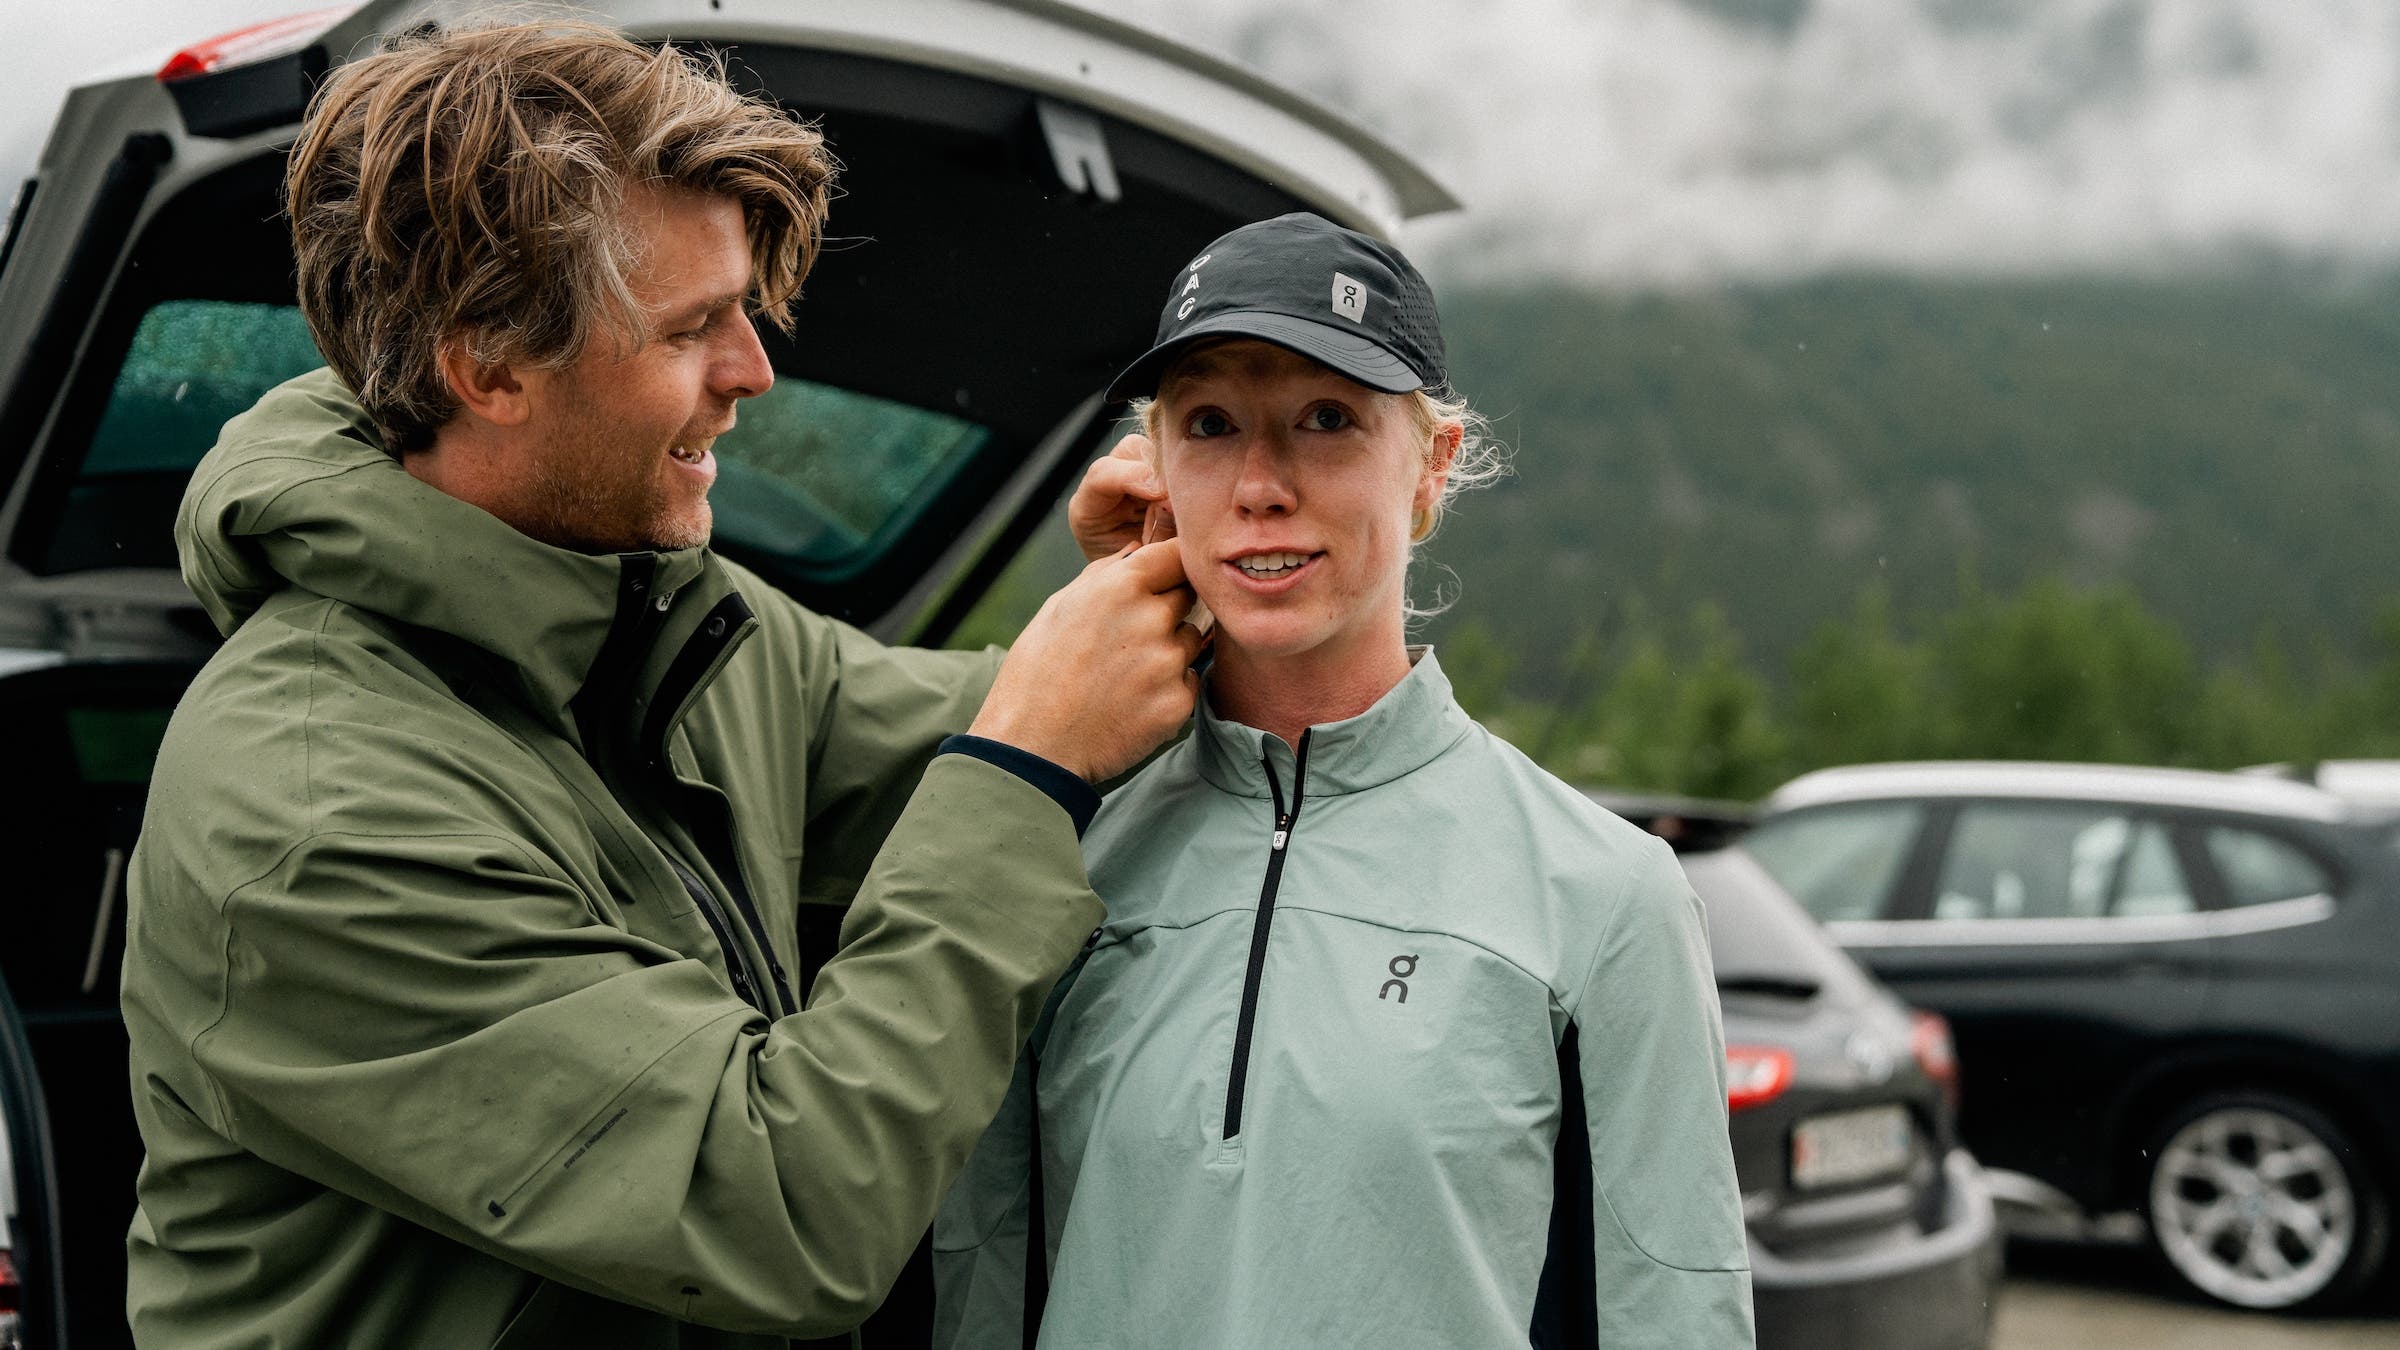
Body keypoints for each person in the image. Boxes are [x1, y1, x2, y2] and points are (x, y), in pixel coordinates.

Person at [120, 23, 1204, 1349]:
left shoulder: (656, 608)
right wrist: (1031, 764)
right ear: (488, 365)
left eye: (744, 307)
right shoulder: (307, 815)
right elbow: (786, 1207)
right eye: (695, 326)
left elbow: (976, 726)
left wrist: (1133, 600)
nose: (753, 369)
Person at [931, 213, 1757, 1348]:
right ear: (1157, 471)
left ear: (1432, 465)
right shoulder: (1055, 852)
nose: (1262, 483)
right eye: (1210, 425)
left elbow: (1679, 1308)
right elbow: (983, 1268)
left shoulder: (1608, 895)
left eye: (1328, 420)